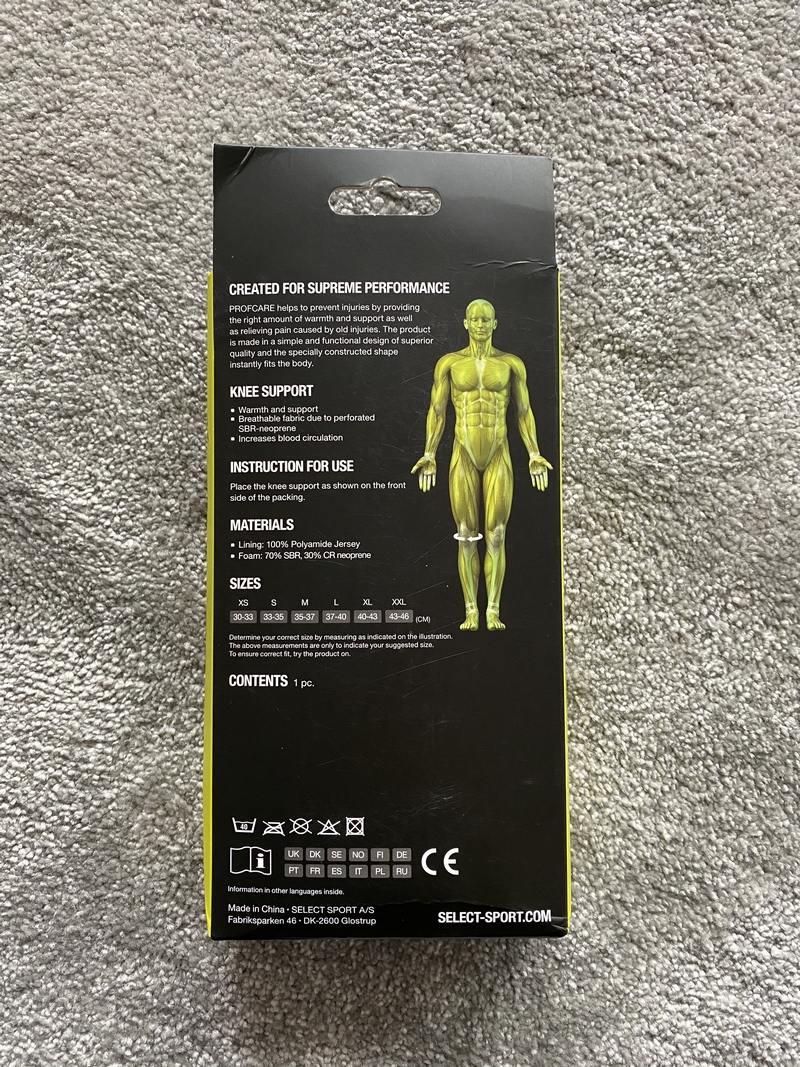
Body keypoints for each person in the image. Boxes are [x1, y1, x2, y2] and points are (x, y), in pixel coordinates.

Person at [411, 299, 552, 631]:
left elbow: (523, 411)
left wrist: (533, 453)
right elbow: (437, 411)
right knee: (465, 534)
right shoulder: (449, 363)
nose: (479, 325)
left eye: (485, 319)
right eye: (474, 319)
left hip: (498, 451)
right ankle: (471, 610)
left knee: (497, 534)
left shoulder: (510, 364)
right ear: (465, 324)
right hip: (462, 451)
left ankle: (493, 610)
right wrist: (429, 454)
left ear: (494, 324)